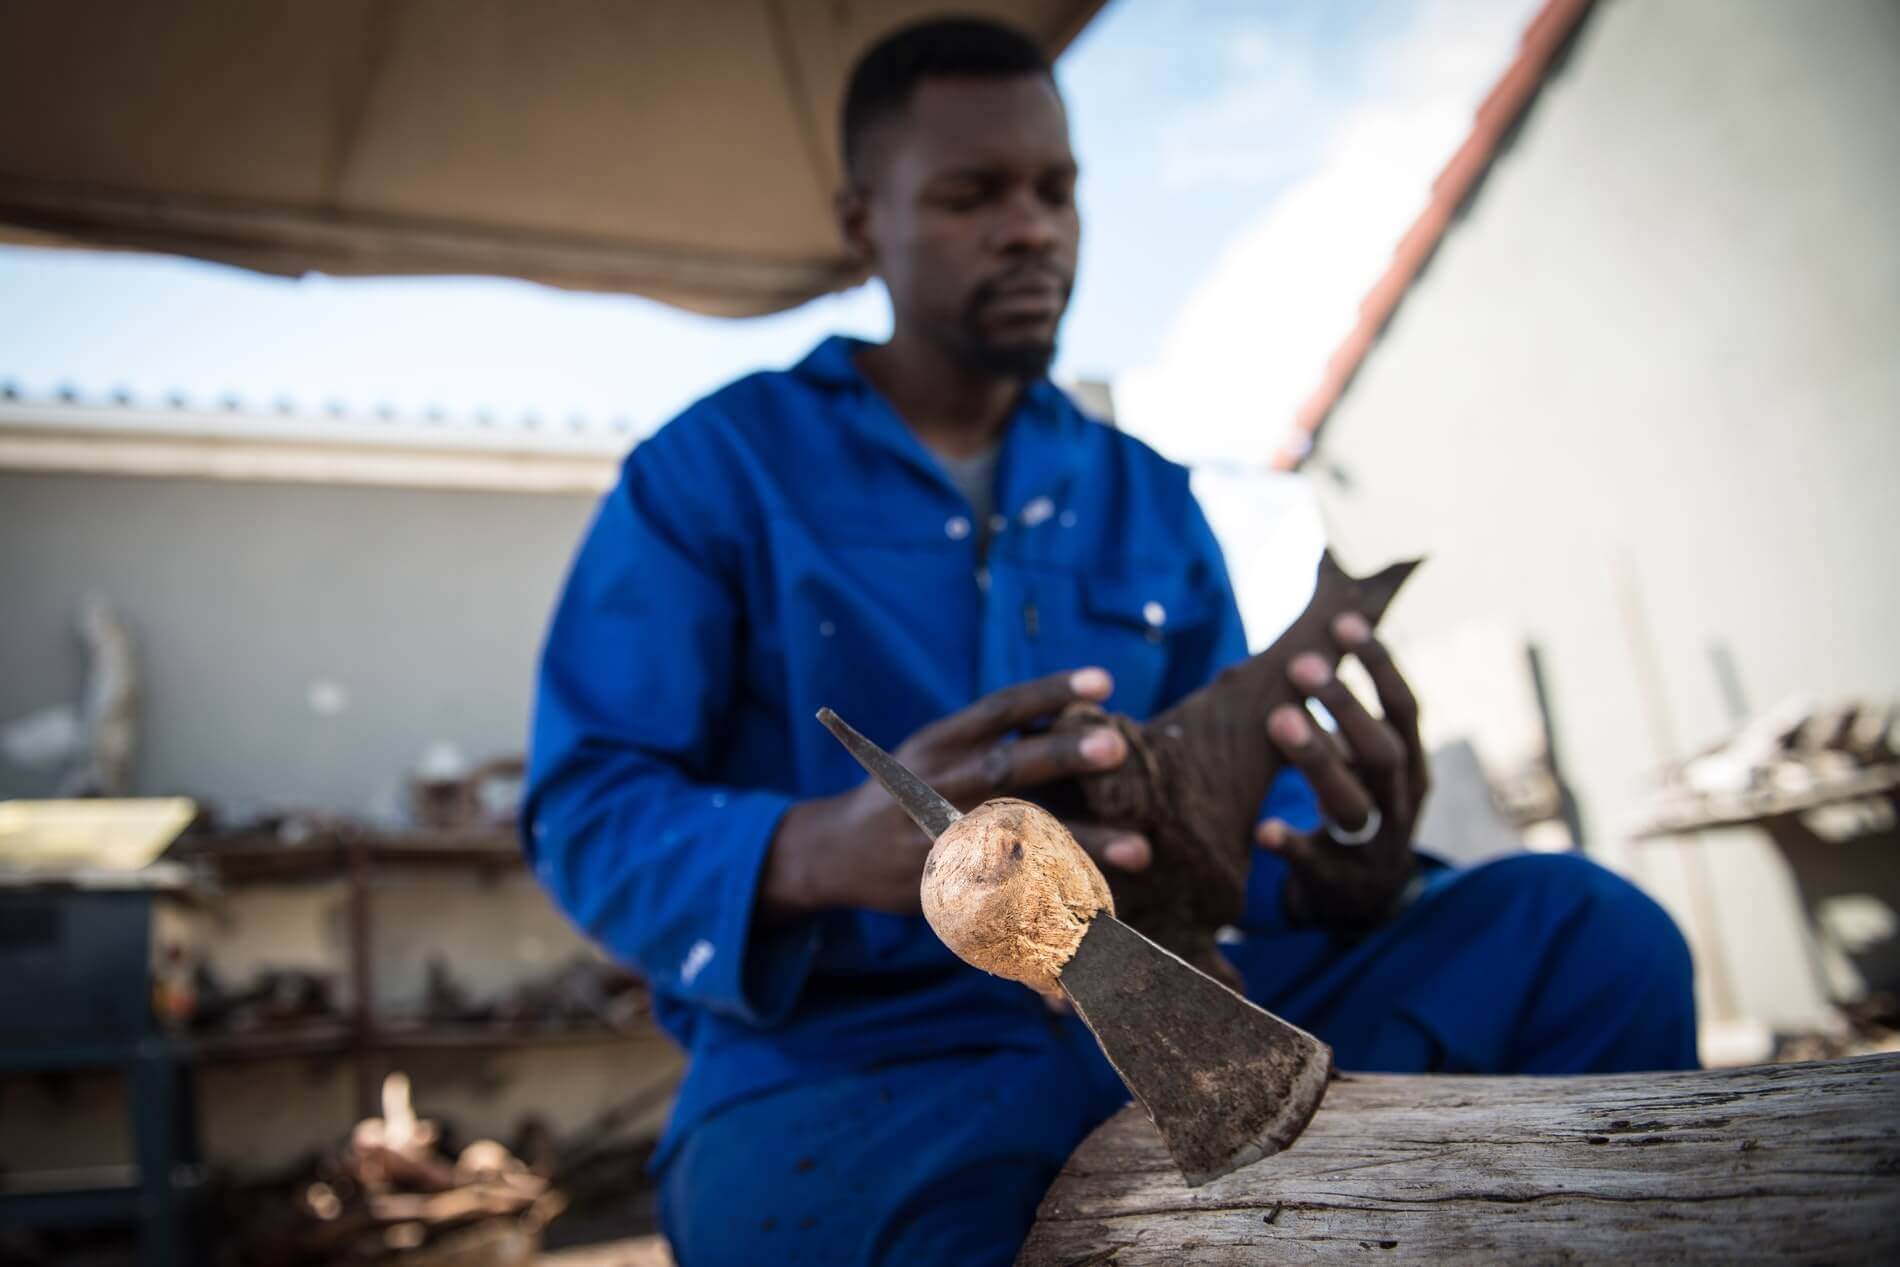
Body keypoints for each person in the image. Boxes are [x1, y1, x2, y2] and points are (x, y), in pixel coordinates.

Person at [523, 18, 1697, 1266]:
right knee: (962, 1214)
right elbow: (584, 808)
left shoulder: (1145, 496)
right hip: (856, 1057)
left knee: (1586, 935)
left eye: (1056, 189)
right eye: (975, 194)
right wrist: (819, 849)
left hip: (1166, 1007)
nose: (1032, 227)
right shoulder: (712, 473)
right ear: (863, 222)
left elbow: (1213, 826)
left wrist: (1340, 867)